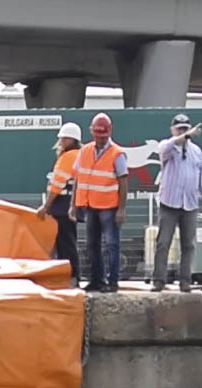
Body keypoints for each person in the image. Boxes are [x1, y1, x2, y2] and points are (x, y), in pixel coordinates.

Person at [152, 113, 202, 290]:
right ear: (173, 130)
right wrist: (184, 137)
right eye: (179, 128)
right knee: (163, 242)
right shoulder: (167, 147)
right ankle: (159, 280)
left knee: (188, 244)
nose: (183, 131)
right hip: (169, 203)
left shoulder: (196, 152)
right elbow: (165, 148)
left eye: (186, 128)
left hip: (190, 203)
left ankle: (185, 280)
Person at [71, 113, 129, 292]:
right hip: (90, 206)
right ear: (92, 132)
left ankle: (112, 282)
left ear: (108, 133)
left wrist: (121, 209)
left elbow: (123, 182)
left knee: (112, 245)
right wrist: (73, 205)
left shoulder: (117, 154)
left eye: (103, 136)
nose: (100, 139)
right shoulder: (85, 151)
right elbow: (77, 179)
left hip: (109, 207)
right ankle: (97, 280)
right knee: (92, 244)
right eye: (97, 135)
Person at [35, 121, 82, 286]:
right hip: (71, 204)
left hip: (62, 206)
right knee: (67, 241)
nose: (61, 141)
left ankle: (71, 276)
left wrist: (46, 205)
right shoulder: (80, 155)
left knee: (65, 243)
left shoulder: (68, 157)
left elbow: (57, 184)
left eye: (64, 138)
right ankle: (69, 276)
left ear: (71, 140)